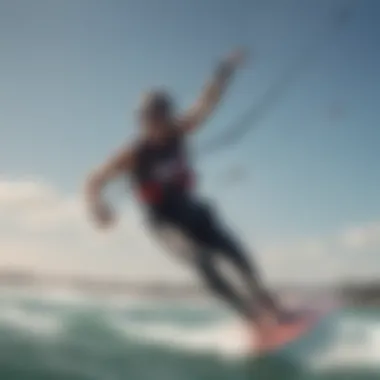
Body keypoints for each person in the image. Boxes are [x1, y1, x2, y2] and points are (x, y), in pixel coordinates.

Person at [85, 48, 288, 342]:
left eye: (158, 117)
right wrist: (98, 208)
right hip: (164, 223)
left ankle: (270, 304)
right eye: (147, 118)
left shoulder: (181, 130)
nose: (153, 124)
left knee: (237, 254)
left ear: (168, 116)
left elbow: (207, 103)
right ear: (141, 120)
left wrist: (224, 70)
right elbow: (94, 180)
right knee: (202, 260)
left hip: (192, 211)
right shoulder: (133, 154)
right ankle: (252, 317)